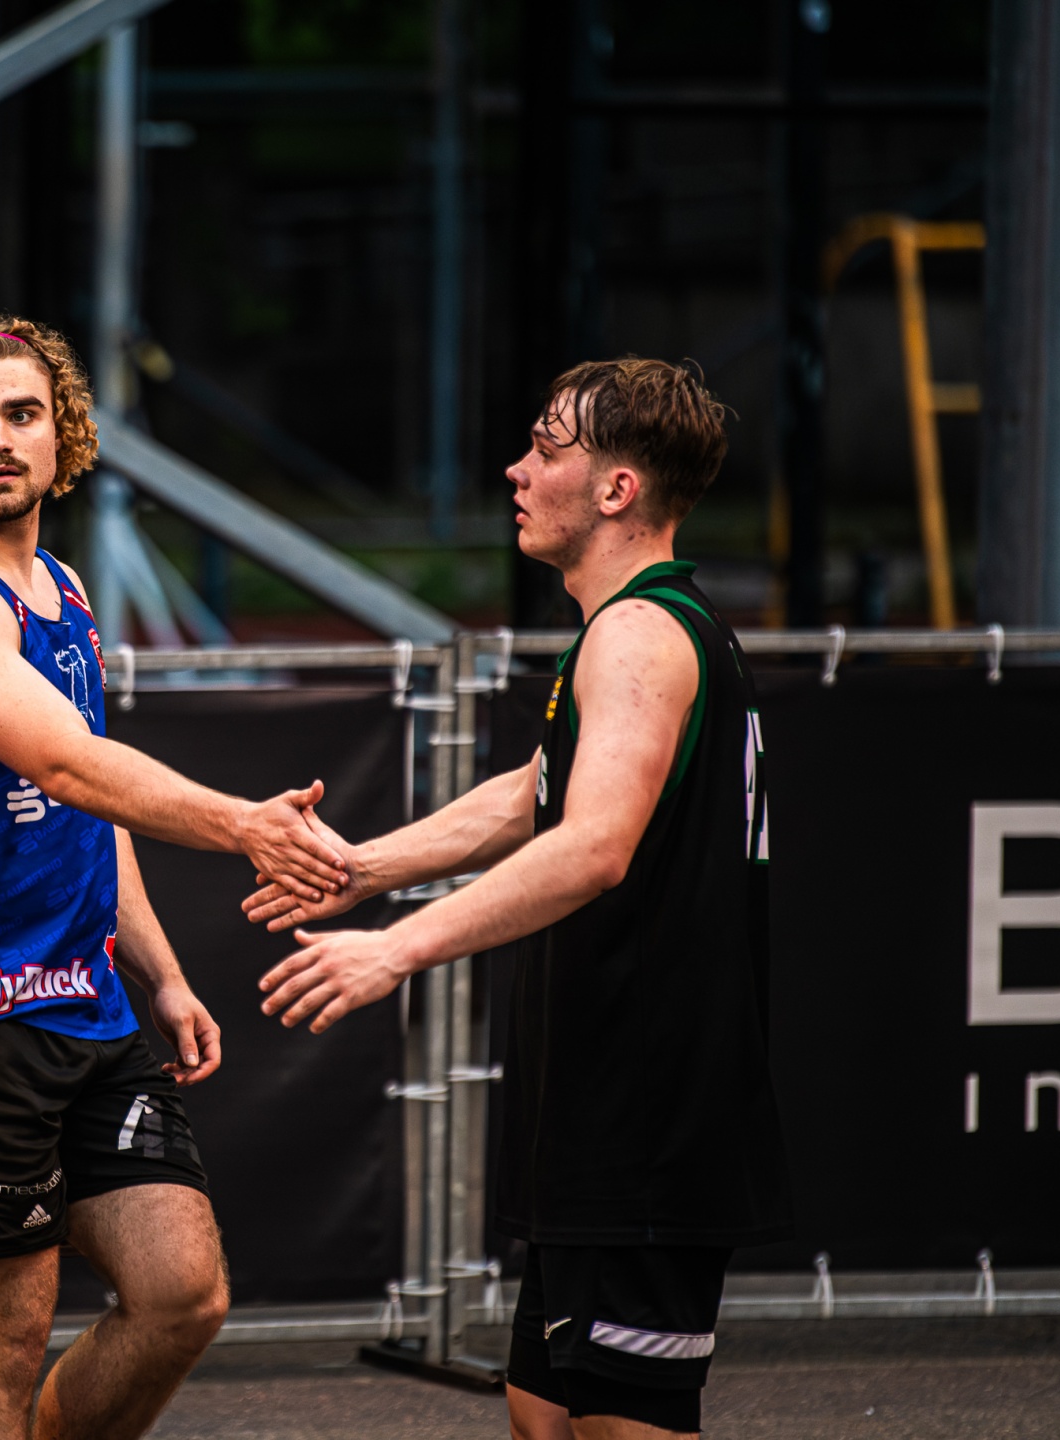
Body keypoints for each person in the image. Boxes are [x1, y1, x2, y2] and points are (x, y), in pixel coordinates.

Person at [242, 358, 790, 1440]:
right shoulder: (640, 627)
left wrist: (394, 949)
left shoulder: (638, 636)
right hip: (604, 1106)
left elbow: (592, 847)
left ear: (618, 489)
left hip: (646, 1112)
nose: (517, 469)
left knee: (617, 1423)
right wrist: (362, 869)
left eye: (546, 447)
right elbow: (534, 791)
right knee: (543, 1412)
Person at [0, 314, 351, 1440]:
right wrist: (243, 825)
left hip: (86, 1003)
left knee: (181, 1296)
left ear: (61, 431)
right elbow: (67, 765)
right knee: (3, 1342)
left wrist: (159, 973)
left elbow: (92, 804)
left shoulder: (64, 586)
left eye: (20, 413)